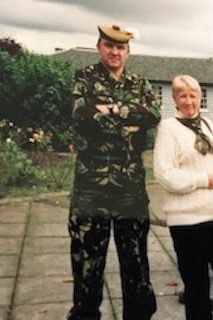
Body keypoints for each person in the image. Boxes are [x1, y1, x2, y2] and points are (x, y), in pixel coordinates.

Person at [67, 24, 161, 320]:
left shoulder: (140, 83)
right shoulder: (84, 78)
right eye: (109, 46)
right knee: (87, 261)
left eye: (120, 47)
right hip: (91, 185)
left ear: (128, 52)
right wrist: (127, 121)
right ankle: (85, 315)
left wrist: (110, 111)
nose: (115, 52)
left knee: (135, 260)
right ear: (99, 47)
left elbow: (153, 114)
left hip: (129, 188)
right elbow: (82, 114)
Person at [153, 75, 213, 320]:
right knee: (197, 287)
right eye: (183, 95)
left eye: (193, 95)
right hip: (188, 222)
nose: (189, 101)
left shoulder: (208, 125)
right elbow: (164, 174)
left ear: (199, 97)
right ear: (174, 99)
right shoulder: (168, 129)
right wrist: (203, 180)